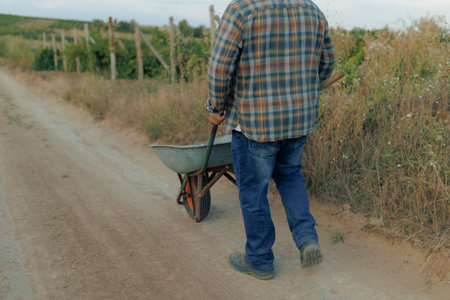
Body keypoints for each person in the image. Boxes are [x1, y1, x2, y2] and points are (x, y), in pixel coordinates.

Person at [206, 0, 336, 280]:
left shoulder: (242, 10)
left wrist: (215, 106)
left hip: (256, 122)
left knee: (253, 190)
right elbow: (327, 63)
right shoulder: (311, 10)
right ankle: (306, 238)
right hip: (299, 119)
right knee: (290, 175)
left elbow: (219, 68)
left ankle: (260, 259)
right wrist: (306, 85)